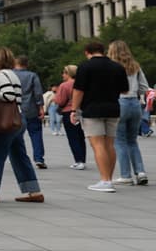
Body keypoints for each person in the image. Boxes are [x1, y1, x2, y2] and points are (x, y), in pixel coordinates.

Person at [0, 47, 44, 203]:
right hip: (18, 118)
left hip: (7, 121)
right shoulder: (12, 74)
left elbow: (8, 95)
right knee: (19, 155)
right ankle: (33, 191)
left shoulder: (1, 75)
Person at [72, 40, 130, 193]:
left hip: (92, 109)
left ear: (87, 52)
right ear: (103, 51)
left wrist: (74, 110)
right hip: (113, 108)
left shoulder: (85, 67)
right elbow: (125, 90)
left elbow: (79, 91)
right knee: (109, 144)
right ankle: (108, 178)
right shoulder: (117, 66)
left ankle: (105, 181)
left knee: (98, 144)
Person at [108, 40, 149, 186]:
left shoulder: (112, 67)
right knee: (132, 140)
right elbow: (144, 87)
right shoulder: (135, 66)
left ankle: (125, 174)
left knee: (120, 140)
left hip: (119, 102)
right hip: (135, 103)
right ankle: (141, 171)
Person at [12, 56, 46, 169]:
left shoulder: (10, 75)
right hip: (31, 109)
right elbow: (37, 92)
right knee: (36, 134)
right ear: (27, 64)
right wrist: (40, 107)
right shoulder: (32, 75)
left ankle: (19, 159)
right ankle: (38, 158)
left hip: (14, 110)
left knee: (16, 135)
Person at [55, 65, 89, 169]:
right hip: (81, 111)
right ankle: (82, 159)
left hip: (68, 111)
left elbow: (60, 101)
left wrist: (56, 100)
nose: (62, 75)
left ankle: (78, 160)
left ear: (68, 73)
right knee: (80, 137)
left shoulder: (64, 85)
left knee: (72, 137)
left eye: (64, 73)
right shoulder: (83, 83)